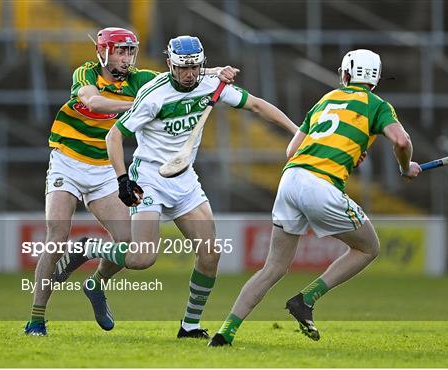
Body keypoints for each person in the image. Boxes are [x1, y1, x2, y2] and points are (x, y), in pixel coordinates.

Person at [59, 35, 298, 339]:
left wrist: (297, 131)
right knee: (142, 258)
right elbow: (114, 137)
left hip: (184, 181)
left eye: (195, 68)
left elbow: (255, 105)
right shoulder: (153, 95)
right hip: (149, 179)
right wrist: (122, 180)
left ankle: (189, 326)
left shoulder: (211, 86)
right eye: (183, 68)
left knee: (211, 254)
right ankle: (88, 248)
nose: (189, 74)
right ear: (169, 64)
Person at [24, 27, 239, 336]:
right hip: (67, 161)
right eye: (120, 51)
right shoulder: (85, 74)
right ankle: (36, 318)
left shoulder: (139, 80)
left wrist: (213, 71)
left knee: (129, 244)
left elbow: (177, 77)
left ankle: (96, 284)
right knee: (57, 236)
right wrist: (142, 107)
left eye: (130, 51)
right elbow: (94, 102)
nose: (127, 58)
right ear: (103, 52)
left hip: (104, 170)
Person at [208, 49, 422, 347]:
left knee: (273, 267)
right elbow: (401, 140)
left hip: (290, 179)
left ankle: (224, 333)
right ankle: (306, 299)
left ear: (345, 74)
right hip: (320, 184)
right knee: (368, 248)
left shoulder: (327, 99)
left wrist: (340, 150)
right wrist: (405, 167)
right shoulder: (378, 105)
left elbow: (291, 151)